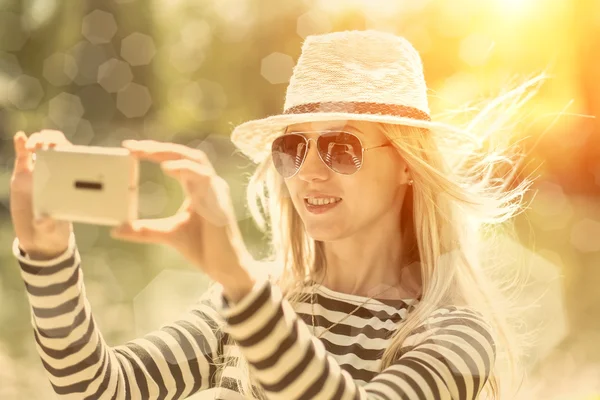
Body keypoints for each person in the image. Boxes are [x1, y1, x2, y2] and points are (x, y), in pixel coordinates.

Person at [9, 30, 539, 399]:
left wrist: (239, 282)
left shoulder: (454, 336)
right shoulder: (248, 307)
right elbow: (98, 389)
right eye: (292, 148)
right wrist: (48, 256)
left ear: (407, 166)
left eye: (341, 148)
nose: (309, 172)